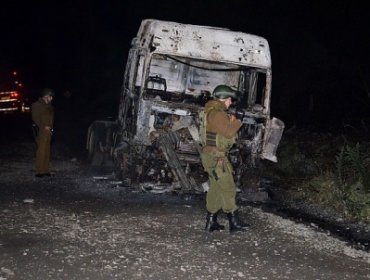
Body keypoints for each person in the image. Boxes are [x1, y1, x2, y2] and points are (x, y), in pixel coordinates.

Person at [201, 85, 250, 233]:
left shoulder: (210, 111)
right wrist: (239, 120)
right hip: (217, 158)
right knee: (228, 188)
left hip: (211, 156)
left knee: (215, 189)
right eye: (229, 100)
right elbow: (229, 133)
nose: (230, 103)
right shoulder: (217, 113)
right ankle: (234, 222)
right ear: (223, 99)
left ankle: (211, 222)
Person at [31, 88, 55, 177]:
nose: (52, 99)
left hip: (48, 131)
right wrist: (44, 126)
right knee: (41, 151)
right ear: (46, 96)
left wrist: (51, 128)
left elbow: (51, 119)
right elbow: (35, 118)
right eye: (50, 97)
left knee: (47, 151)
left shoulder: (49, 106)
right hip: (41, 131)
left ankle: (45, 170)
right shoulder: (36, 105)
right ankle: (39, 171)